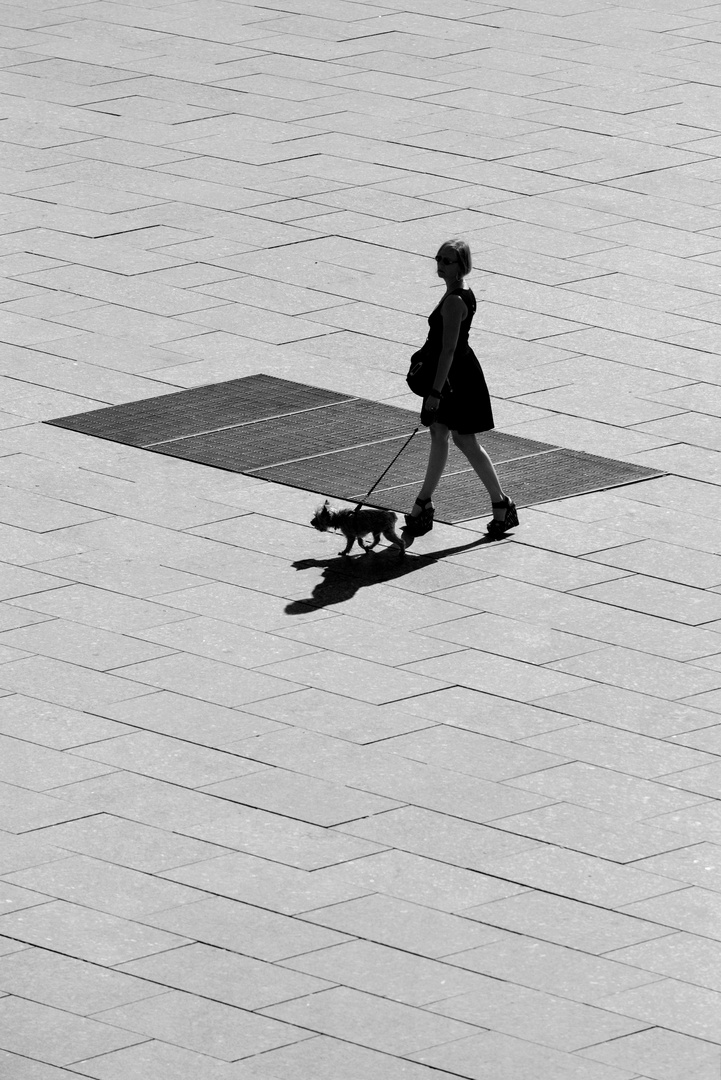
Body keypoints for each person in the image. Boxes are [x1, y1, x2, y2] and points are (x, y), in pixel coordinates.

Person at [402, 238, 518, 546]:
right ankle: (425, 503)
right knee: (440, 433)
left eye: (448, 260)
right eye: (438, 258)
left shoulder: (455, 300)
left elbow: (448, 349)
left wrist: (435, 392)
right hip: (455, 373)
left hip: (456, 378)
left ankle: (501, 503)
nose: (440, 264)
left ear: (461, 265)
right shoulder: (456, 292)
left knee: (464, 439)